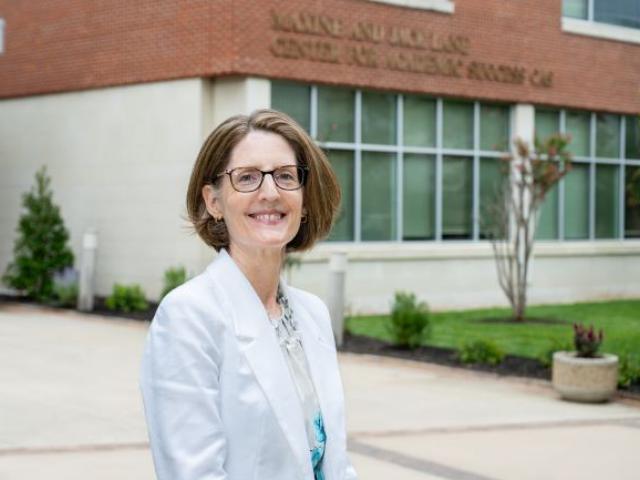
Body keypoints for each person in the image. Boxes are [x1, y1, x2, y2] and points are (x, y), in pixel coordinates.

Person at [139, 109, 358, 480]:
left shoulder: (312, 314)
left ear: (304, 200)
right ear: (214, 202)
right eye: (248, 178)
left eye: (286, 176)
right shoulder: (188, 317)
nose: (270, 192)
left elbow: (333, 462)